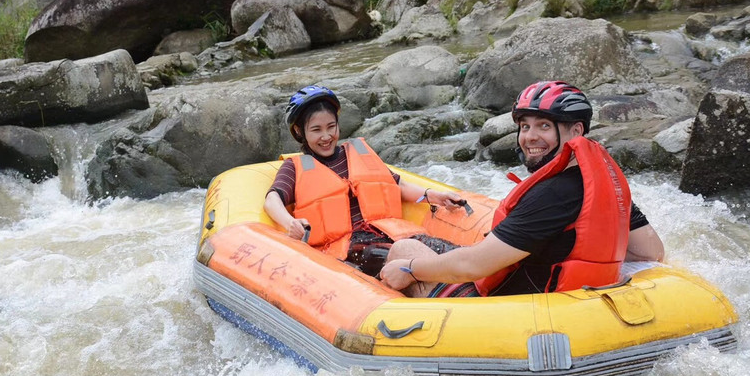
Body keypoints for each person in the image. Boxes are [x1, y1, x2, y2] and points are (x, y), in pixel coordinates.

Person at [378, 80, 665, 297]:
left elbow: (473, 267)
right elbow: (651, 251)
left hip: (508, 310)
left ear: (576, 132)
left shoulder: (553, 194)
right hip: (559, 294)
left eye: (543, 126)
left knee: (404, 250)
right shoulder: (601, 185)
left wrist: (410, 269)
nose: (530, 137)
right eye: (525, 127)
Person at [264, 85, 466, 274]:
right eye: (316, 130)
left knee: (437, 247)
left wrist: (436, 197)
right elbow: (272, 200)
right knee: (403, 255)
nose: (326, 136)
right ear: (299, 132)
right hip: (352, 249)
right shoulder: (294, 167)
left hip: (392, 231)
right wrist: (290, 222)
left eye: (331, 127)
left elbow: (397, 185)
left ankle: (478, 273)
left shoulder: (358, 152)